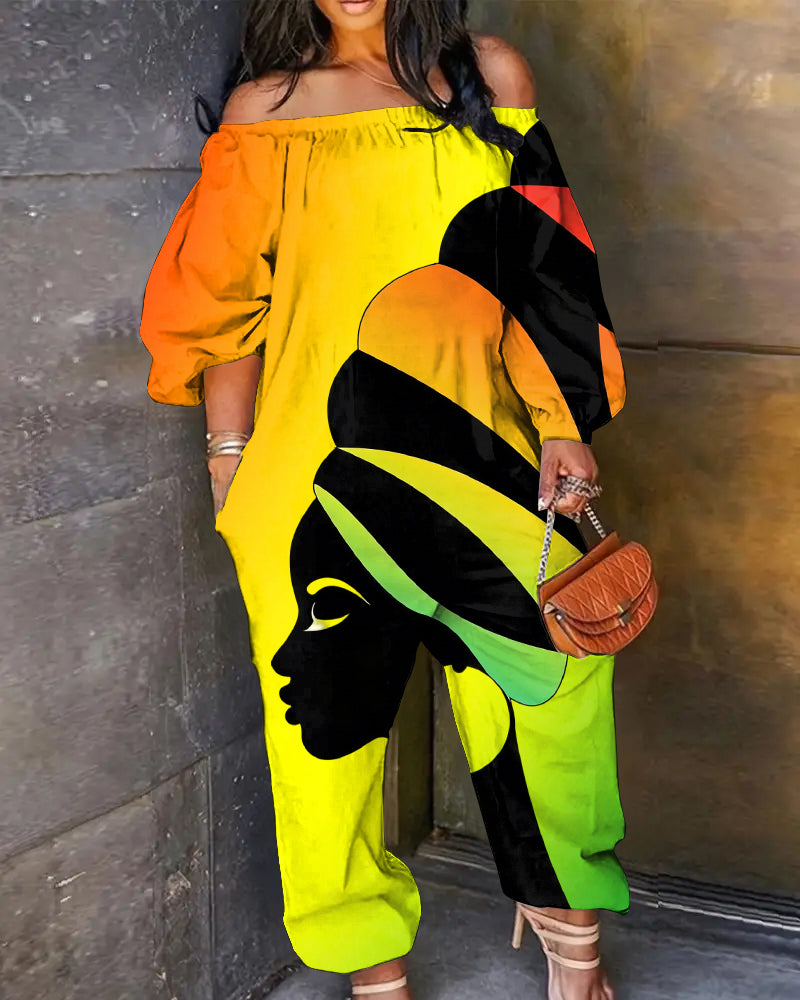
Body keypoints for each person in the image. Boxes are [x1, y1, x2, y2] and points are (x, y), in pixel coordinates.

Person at [139, 2, 629, 998]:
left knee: (556, 695)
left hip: (488, 456)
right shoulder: (266, 107)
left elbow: (541, 262)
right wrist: (229, 461)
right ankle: (375, 977)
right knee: (324, 733)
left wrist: (559, 421)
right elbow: (226, 301)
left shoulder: (486, 75)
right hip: (311, 472)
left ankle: (572, 943)